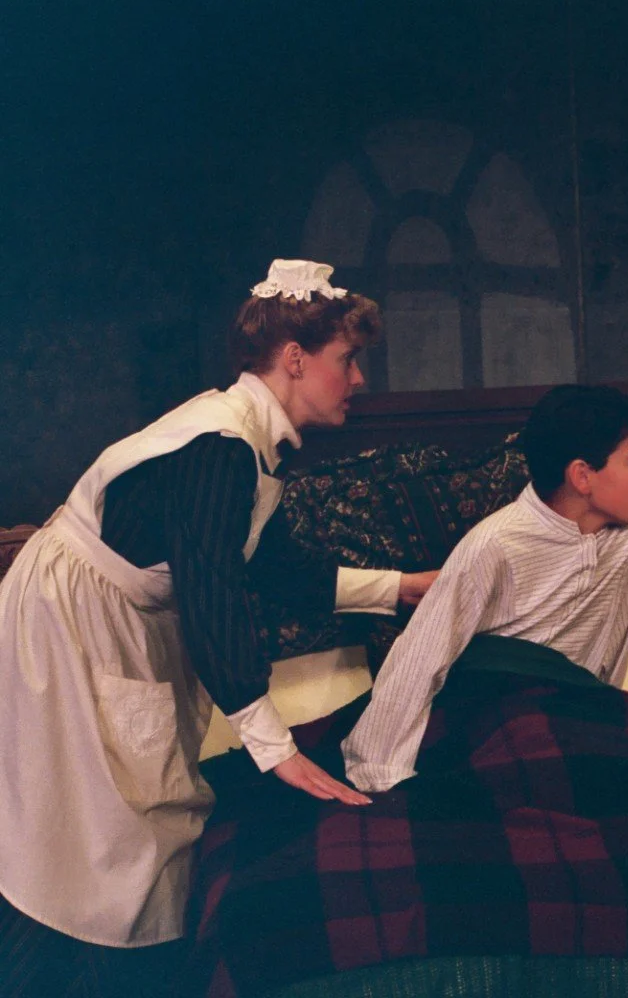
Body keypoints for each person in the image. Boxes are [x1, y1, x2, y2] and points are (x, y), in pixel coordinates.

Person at [0, 260, 438, 996]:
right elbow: (212, 595)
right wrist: (275, 748)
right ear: (295, 360)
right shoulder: (220, 445)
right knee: (83, 845)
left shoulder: (248, 441)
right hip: (67, 629)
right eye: (348, 360)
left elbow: (275, 571)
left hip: (111, 622)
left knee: (124, 842)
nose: (358, 379)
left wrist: (403, 590)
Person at [343, 383, 628, 793]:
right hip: (495, 716)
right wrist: (384, 777)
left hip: (575, 715)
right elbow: (421, 658)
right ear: (582, 475)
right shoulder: (495, 545)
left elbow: (616, 640)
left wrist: (607, 721)